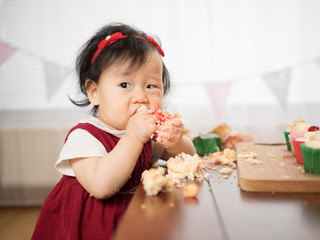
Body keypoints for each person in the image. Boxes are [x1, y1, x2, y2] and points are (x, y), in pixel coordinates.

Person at [32, 22, 196, 240]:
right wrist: (134, 137)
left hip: (133, 217)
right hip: (88, 225)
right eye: (125, 85)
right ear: (94, 93)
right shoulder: (83, 137)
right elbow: (102, 186)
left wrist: (175, 142)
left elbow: (188, 158)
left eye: (151, 86)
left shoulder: (147, 132)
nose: (141, 97)